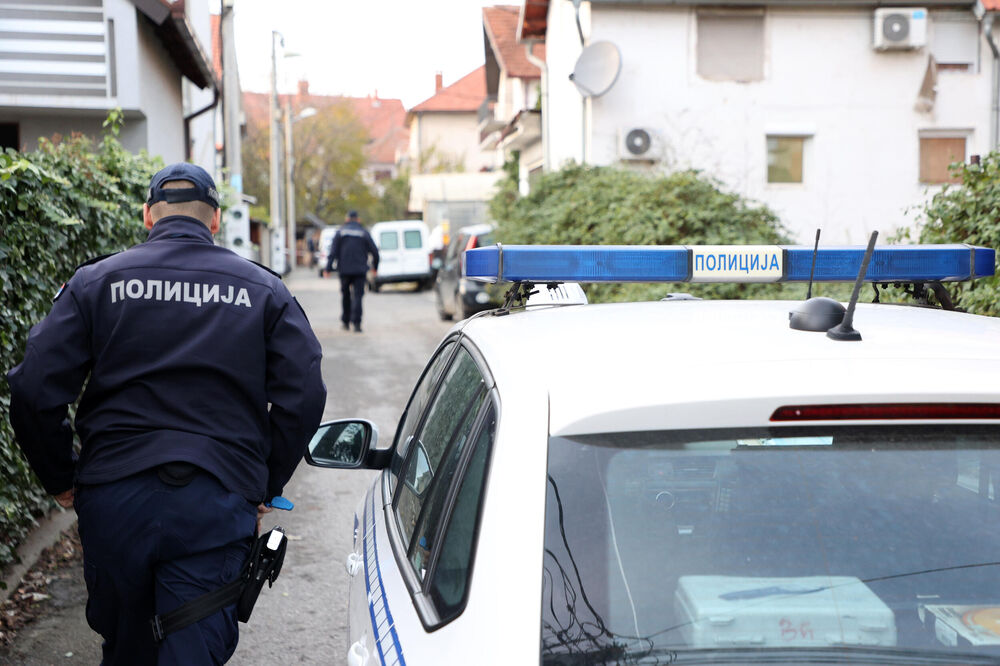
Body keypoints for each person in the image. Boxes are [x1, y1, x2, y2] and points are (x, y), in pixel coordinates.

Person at [6, 163, 327, 665]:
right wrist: (265, 481)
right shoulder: (262, 289)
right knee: (193, 651)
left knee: (127, 649)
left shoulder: (96, 282)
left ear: (147, 215)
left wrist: (61, 477)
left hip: (115, 498)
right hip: (215, 501)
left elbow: (32, 387)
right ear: (215, 220)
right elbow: (304, 391)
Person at [324, 210, 379, 333]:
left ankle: (345, 322)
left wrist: (328, 268)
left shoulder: (340, 232)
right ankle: (357, 324)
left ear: (347, 219)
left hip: (344, 270)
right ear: (358, 219)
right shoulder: (364, 233)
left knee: (346, 296)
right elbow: (375, 251)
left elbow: (333, 252)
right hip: (360, 271)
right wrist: (375, 267)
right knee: (358, 296)